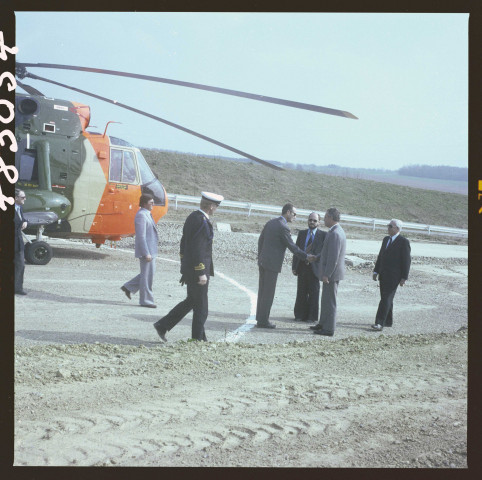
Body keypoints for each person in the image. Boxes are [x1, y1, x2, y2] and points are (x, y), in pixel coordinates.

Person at [153, 191, 224, 342]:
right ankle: (197, 339)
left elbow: (184, 245)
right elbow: (197, 248)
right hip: (197, 270)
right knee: (201, 307)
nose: (216, 208)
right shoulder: (201, 221)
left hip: (190, 269)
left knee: (192, 301)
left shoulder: (193, 217)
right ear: (211, 206)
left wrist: (186, 266)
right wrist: (201, 272)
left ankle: (163, 325)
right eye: (216, 206)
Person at [256, 203, 316, 329]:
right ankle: (263, 321)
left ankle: (260, 317)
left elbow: (260, 240)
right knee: (268, 293)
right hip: (272, 265)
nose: (295, 217)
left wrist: (260, 257)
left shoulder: (271, 222)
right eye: (294, 214)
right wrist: (305, 256)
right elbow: (292, 246)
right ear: (288, 212)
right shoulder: (283, 227)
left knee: (262, 291)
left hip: (263, 262)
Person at [311, 207, 346, 336]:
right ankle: (323, 323)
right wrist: (317, 257)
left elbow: (333, 258)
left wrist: (327, 274)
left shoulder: (336, 234)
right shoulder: (334, 231)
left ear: (331, 218)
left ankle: (329, 328)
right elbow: (327, 252)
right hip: (330, 273)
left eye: (325, 217)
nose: (324, 219)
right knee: (325, 300)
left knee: (330, 301)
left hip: (332, 274)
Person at [371, 219, 411, 331]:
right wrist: (376, 271)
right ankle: (388, 321)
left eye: (390, 226)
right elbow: (381, 256)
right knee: (386, 299)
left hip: (394, 277)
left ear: (397, 229)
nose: (388, 228)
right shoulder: (386, 239)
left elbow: (406, 261)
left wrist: (404, 278)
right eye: (388, 226)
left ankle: (379, 323)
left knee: (386, 299)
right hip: (383, 275)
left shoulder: (403, 242)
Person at [121, 193, 159, 308]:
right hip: (147, 251)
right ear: (144, 203)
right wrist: (146, 252)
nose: (153, 204)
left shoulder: (146, 214)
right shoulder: (141, 215)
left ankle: (128, 287)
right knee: (147, 276)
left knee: (147, 274)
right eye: (151, 202)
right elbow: (141, 236)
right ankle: (146, 301)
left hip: (151, 250)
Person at [292, 212, 326, 322]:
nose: (312, 222)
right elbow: (296, 250)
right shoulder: (302, 233)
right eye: (310, 220)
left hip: (315, 269)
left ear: (319, 223)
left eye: (314, 220)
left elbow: (324, 253)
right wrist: (294, 266)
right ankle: (299, 315)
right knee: (301, 292)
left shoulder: (323, 235)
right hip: (302, 267)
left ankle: (312, 317)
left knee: (314, 293)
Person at [14, 189, 28, 295]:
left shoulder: (20, 208)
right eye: (23, 197)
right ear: (15, 198)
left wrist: (25, 221)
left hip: (18, 242)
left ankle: (17, 288)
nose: (25, 199)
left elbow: (22, 219)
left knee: (21, 265)